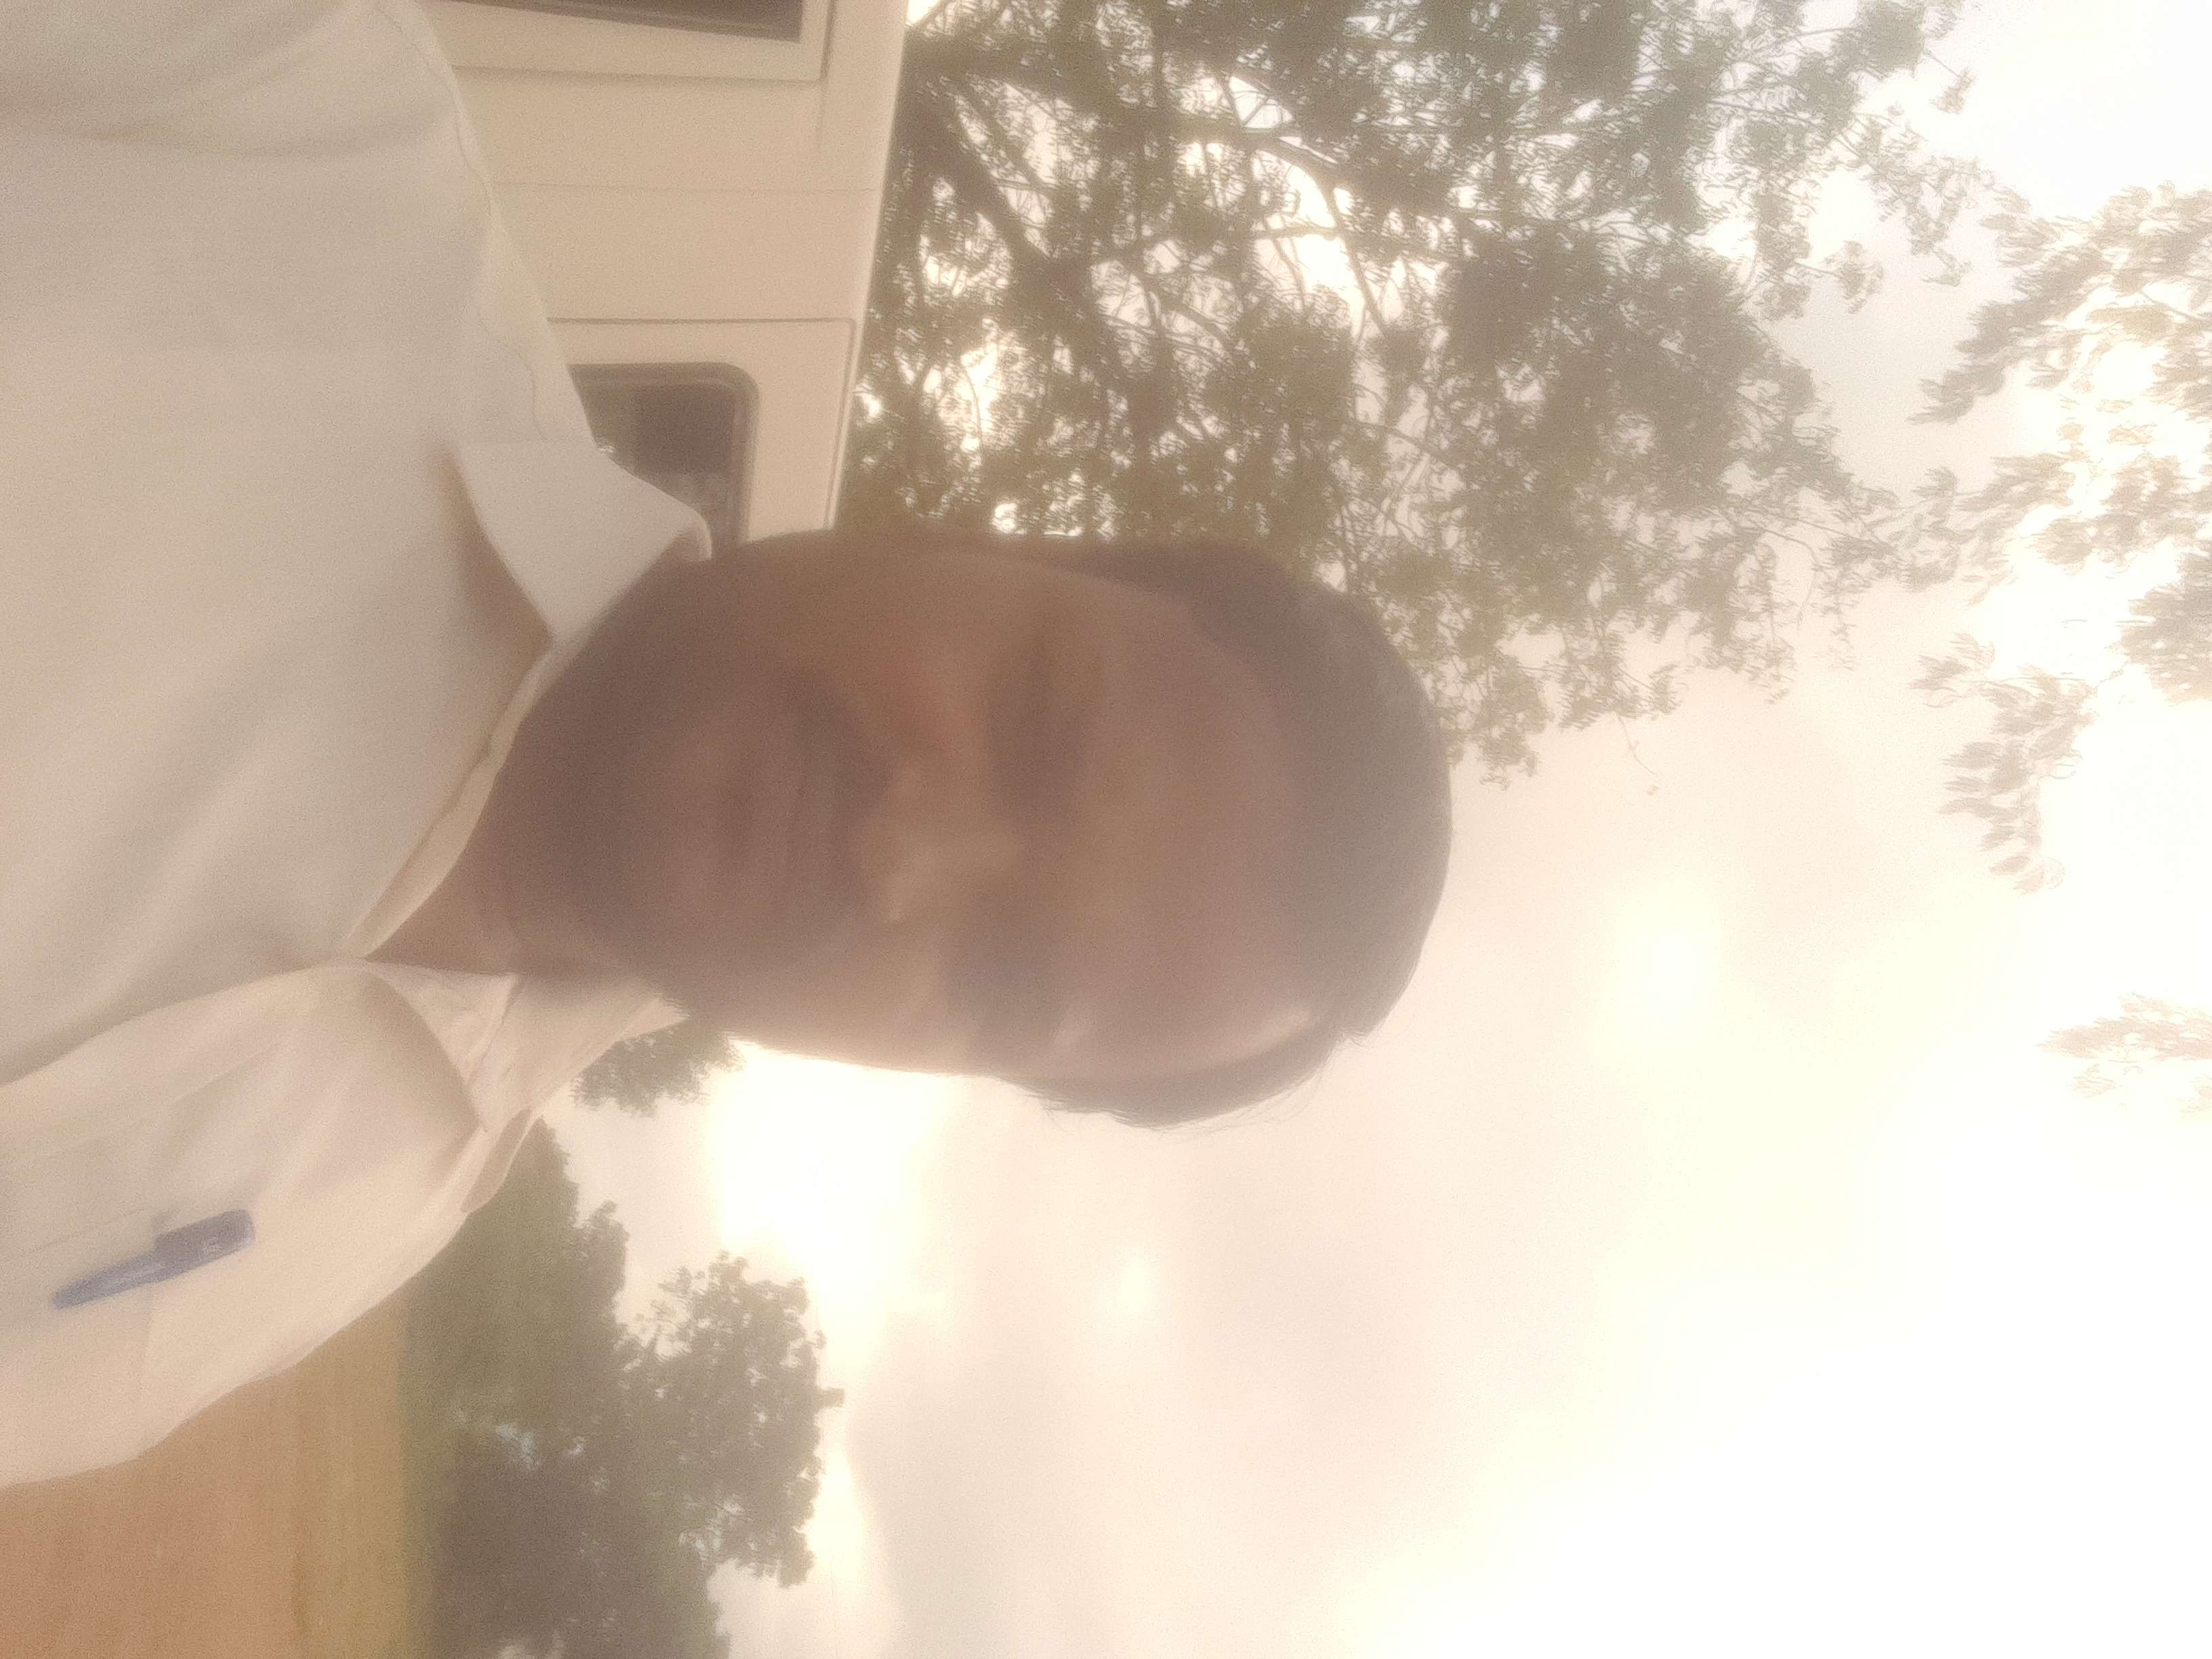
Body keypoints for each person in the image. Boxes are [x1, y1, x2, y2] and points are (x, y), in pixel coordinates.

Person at [0, 0, 1450, 1487]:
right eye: (1034, 725)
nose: (900, 855)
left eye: (1003, 974)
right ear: (1003, 547)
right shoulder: (292, 117)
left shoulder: (357, 1221)